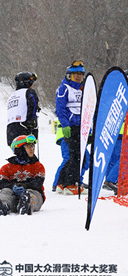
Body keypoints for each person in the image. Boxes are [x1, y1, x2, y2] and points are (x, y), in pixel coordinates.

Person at [0, 135, 45, 216]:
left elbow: (38, 183)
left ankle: (27, 206)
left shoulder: (38, 166)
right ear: (20, 149)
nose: (32, 149)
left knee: (30, 194)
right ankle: (3, 206)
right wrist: (13, 186)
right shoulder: (6, 168)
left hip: (33, 193)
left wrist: (25, 186)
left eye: (32, 146)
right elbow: (2, 184)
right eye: (28, 146)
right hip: (12, 195)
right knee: (5, 192)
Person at [55, 60, 85, 195]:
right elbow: (60, 109)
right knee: (76, 156)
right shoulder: (64, 88)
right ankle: (70, 184)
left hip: (80, 126)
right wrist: (65, 125)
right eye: (75, 75)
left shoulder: (82, 89)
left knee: (75, 155)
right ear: (69, 76)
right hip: (70, 127)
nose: (78, 77)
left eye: (80, 74)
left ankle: (61, 183)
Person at [6, 71, 40, 146]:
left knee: (19, 152)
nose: (32, 86)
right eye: (31, 83)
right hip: (24, 126)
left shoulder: (11, 96)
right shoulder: (29, 92)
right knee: (28, 152)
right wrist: (32, 124)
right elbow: (32, 106)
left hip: (10, 130)